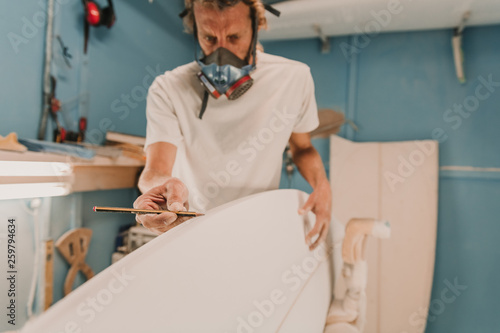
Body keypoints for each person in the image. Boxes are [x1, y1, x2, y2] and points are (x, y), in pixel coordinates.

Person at [133, 0, 331, 250]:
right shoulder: (168, 88)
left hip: (257, 229)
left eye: (234, 37)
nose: (221, 54)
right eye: (209, 38)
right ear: (195, 30)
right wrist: (159, 190)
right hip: (189, 230)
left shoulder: (295, 79)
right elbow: (155, 169)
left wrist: (322, 185)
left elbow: (303, 148)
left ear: (257, 27)